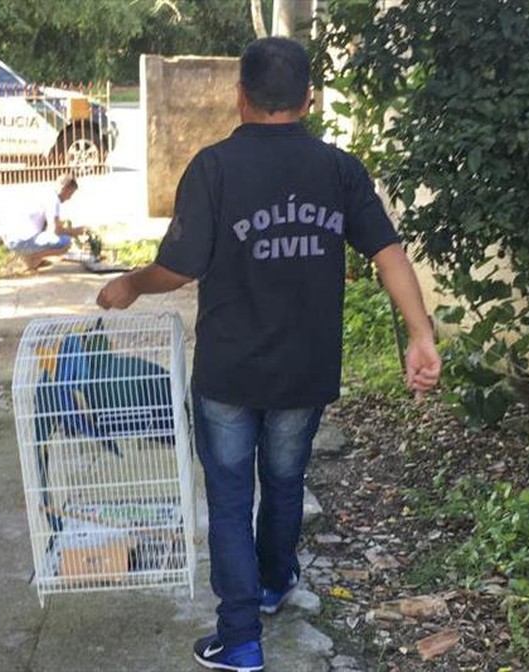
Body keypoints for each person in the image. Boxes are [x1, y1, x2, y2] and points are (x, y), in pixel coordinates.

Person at [97, 37, 441, 672]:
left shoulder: (214, 167)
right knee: (283, 482)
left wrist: (129, 285)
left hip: (228, 371)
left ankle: (240, 638)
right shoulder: (340, 169)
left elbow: (176, 269)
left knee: (230, 496)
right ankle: (277, 582)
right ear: (309, 99)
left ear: (240, 97)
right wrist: (421, 332)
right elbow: (388, 252)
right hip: (304, 370)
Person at [1, 172, 87, 270]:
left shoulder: (45, 194)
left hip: (11, 238)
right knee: (66, 242)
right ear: (64, 188)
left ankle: (31, 261)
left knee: (54, 236)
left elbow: (47, 226)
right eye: (70, 194)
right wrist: (76, 231)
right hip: (19, 241)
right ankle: (31, 257)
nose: (69, 198)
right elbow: (56, 231)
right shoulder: (54, 200)